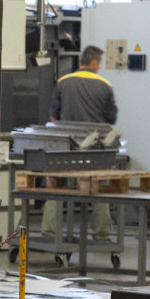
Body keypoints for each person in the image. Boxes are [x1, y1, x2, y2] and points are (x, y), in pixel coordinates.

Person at [42, 46, 118, 242]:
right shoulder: (104, 85)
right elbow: (111, 119)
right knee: (98, 189)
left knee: (55, 187)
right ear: (94, 63)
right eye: (99, 64)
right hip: (94, 151)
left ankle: (49, 233)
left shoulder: (63, 82)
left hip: (65, 149)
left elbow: (53, 117)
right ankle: (101, 235)